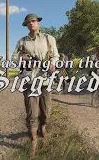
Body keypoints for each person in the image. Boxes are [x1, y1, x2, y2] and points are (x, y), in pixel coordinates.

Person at [11, 13, 59, 157]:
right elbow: (13, 59)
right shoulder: (22, 42)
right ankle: (33, 140)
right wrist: (22, 58)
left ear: (38, 22)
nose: (31, 23)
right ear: (26, 25)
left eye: (34, 21)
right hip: (29, 80)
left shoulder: (48, 38)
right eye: (28, 22)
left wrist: (52, 63)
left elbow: (55, 55)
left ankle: (42, 126)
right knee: (32, 112)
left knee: (46, 111)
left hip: (44, 80)